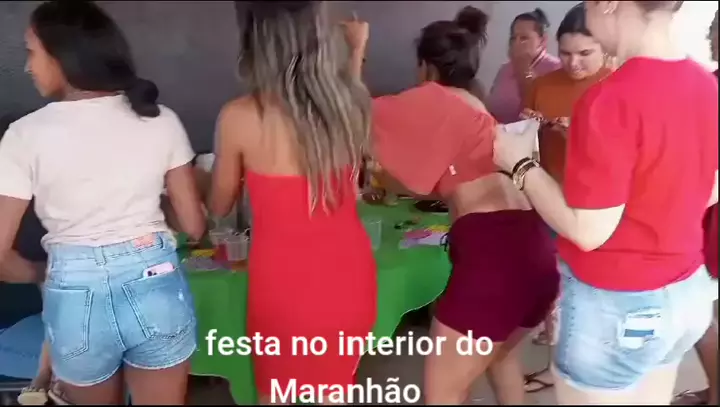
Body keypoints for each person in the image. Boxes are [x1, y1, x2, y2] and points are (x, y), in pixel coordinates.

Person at [493, 0, 718, 404]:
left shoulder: (610, 99)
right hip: (688, 294)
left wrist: (519, 164)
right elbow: (711, 189)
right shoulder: (705, 83)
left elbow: (588, 231)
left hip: (619, 303)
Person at [343, 6, 559, 405]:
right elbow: (446, 184)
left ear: (426, 67)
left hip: (493, 259)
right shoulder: (475, 107)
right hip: (536, 251)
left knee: (442, 392)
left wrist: (357, 49)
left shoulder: (433, 98)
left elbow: (351, 113)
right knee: (501, 360)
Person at [0, 1, 206, 404]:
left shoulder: (24, 136)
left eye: (32, 53)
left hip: (75, 298)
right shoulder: (160, 119)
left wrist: (43, 272)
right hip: (156, 281)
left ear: (62, 56)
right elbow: (195, 226)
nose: (28, 67)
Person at [205, 2, 376, 404]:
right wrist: (356, 51)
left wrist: (193, 180)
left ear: (254, 41)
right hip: (348, 276)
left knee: (276, 393)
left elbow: (220, 205)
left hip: (283, 286)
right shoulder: (350, 104)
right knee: (335, 391)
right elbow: (350, 95)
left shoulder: (240, 116)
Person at [520, 3, 614, 393]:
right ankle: (555, 364)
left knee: (590, 292)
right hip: (548, 196)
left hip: (597, 206)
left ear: (604, 48)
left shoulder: (615, 87)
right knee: (552, 284)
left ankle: (590, 367)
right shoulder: (545, 85)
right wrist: (529, 124)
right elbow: (528, 144)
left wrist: (579, 132)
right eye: (566, 53)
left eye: (585, 53)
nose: (574, 63)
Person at [673, 10, 719, 406]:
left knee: (705, 310)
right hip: (702, 209)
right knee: (705, 309)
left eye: (715, 29)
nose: (710, 35)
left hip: (709, 207)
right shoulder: (707, 84)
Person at [487, 8, 561, 124]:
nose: (516, 43)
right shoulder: (504, 69)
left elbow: (540, 109)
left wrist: (523, 68)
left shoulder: (555, 69)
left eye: (524, 38)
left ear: (542, 41)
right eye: (513, 38)